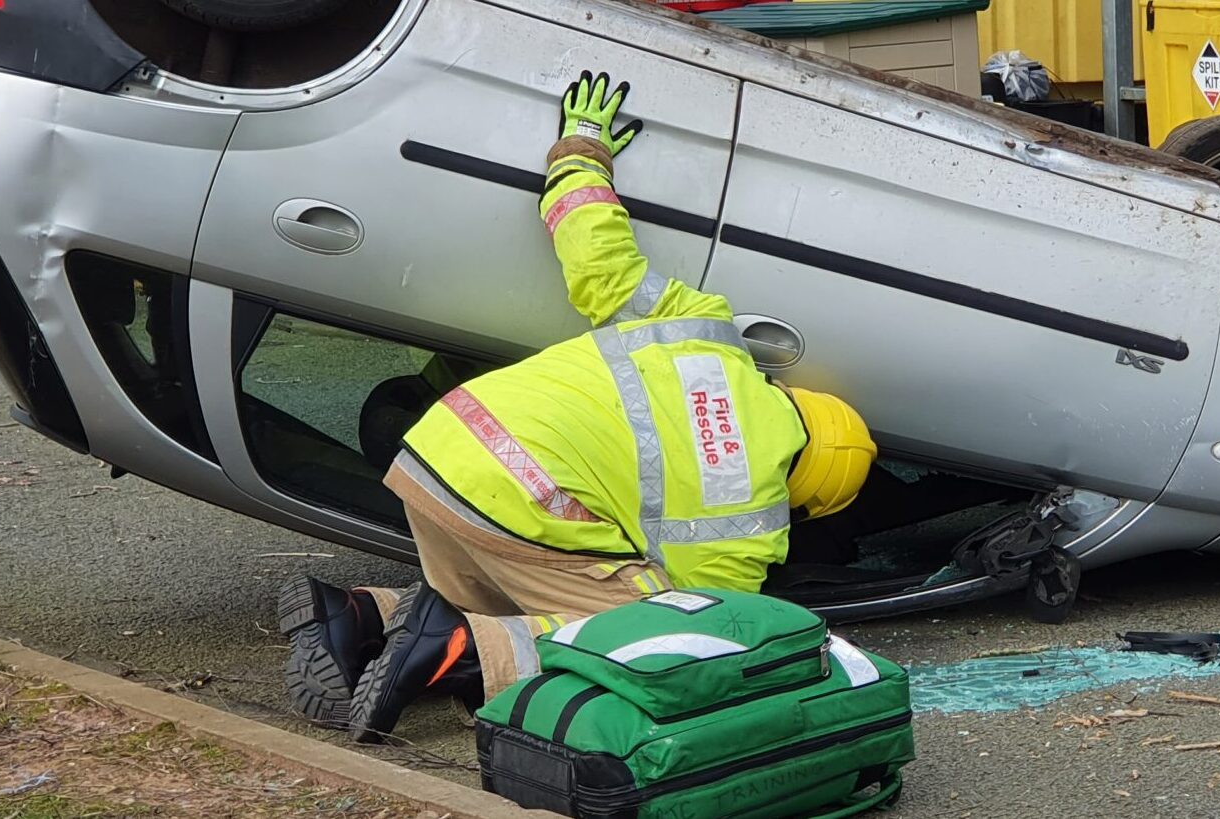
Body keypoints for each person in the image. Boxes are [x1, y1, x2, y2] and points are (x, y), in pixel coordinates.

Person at [277, 71, 879, 743]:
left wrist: (581, 143)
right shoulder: (749, 523)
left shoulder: (707, 331)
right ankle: (457, 650)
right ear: (803, 495)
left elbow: (598, 254)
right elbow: (704, 624)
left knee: (518, 595)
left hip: (442, 444)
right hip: (517, 499)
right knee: (650, 631)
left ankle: (357, 614)